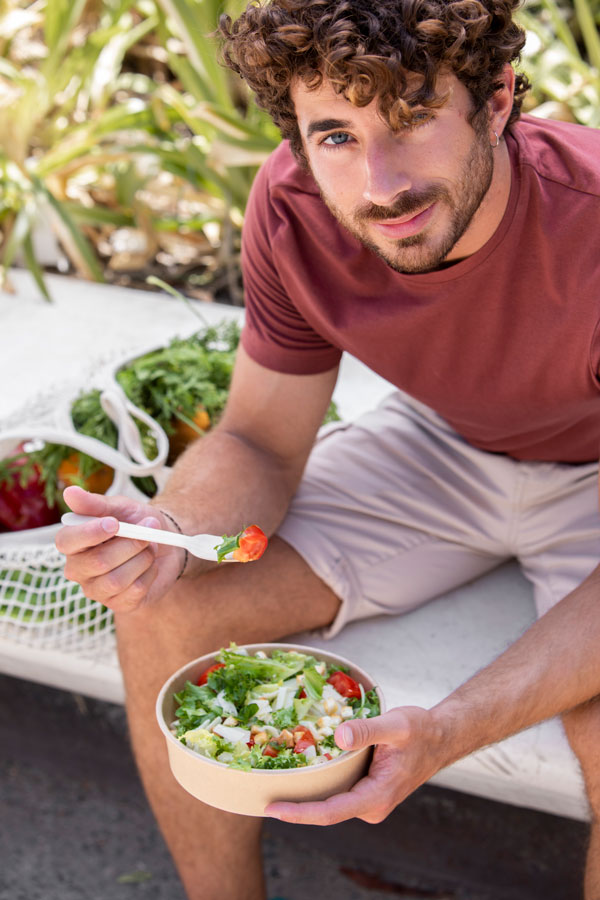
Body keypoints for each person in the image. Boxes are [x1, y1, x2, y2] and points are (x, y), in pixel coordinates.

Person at [55, 1, 600, 898]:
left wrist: (450, 728)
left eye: (413, 116)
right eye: (337, 135)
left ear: (498, 98)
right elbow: (260, 440)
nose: (380, 184)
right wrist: (170, 531)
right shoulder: (295, 204)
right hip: (443, 444)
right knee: (165, 604)